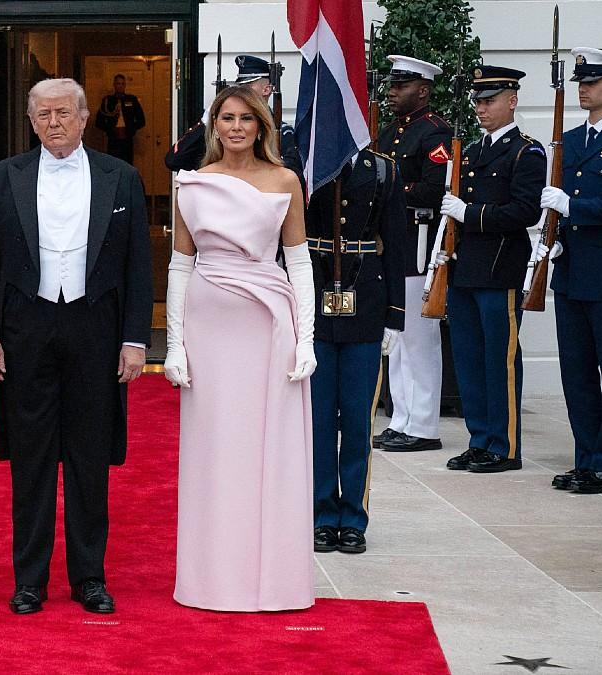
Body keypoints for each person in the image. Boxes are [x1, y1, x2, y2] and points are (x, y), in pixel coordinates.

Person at [0, 78, 152, 616]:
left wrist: (135, 340)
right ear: (32, 122)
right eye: (44, 114)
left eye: (64, 113)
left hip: (95, 328)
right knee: (30, 459)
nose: (54, 122)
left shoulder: (121, 177)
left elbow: (137, 266)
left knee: (88, 457)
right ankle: (29, 580)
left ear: (82, 116)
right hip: (26, 328)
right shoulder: (4, 178)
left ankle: (89, 577)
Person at [163, 85, 315, 611]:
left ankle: (271, 579)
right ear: (213, 125)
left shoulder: (285, 180)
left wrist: (306, 339)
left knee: (266, 447)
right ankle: (212, 579)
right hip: (209, 328)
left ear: (261, 127)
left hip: (268, 322)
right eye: (226, 118)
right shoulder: (193, 184)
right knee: (215, 451)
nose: (235, 127)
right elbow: (180, 265)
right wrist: (175, 346)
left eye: (245, 119)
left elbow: (298, 261)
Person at [439, 66, 545, 475]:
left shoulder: (526, 151)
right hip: (465, 269)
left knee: (499, 359)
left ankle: (504, 445)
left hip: (500, 269)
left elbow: (525, 211)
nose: (482, 109)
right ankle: (479, 438)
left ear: (512, 101)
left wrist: (471, 214)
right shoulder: (474, 151)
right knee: (468, 358)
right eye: (478, 102)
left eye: (490, 101)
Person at [306, 150, 407, 555]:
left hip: (365, 304)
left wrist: (394, 316)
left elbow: (396, 244)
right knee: (317, 422)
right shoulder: (304, 162)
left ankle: (353, 517)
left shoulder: (381, 169)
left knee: (357, 422)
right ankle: (321, 514)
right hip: (312, 302)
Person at [540, 48, 602, 494]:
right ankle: (586, 456)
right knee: (578, 371)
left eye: (593, 80)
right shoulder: (569, 140)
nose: (583, 87)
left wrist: (576, 207)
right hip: (571, 272)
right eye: (580, 81)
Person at [373, 55, 452, 453]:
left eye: (401, 86)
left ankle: (423, 425)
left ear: (423, 90)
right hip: (393, 245)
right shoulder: (389, 133)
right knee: (398, 339)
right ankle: (401, 418)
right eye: (391, 84)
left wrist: (392, 194)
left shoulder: (436, 134)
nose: (391, 92)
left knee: (419, 341)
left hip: (418, 245)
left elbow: (435, 190)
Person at [165, 55, 303, 177]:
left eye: (247, 86)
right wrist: (206, 121)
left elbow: (291, 176)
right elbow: (174, 160)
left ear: (266, 89)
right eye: (239, 86)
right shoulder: (221, 129)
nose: (241, 92)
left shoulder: (281, 131)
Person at [95, 74, 146, 165]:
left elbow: (141, 120)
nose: (120, 86)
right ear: (114, 85)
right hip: (113, 140)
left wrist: (131, 129)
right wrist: (109, 130)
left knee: (127, 164)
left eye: (122, 84)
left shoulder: (131, 100)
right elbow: (99, 122)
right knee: (113, 164)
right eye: (118, 83)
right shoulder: (108, 100)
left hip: (127, 139)